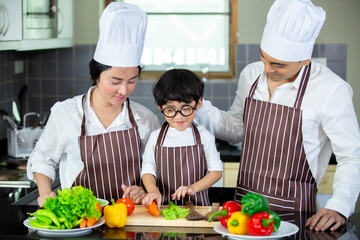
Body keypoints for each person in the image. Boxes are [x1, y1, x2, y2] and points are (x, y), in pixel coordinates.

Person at [195, 0, 360, 232]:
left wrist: (340, 206)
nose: (267, 70)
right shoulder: (250, 75)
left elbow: (352, 156)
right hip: (244, 212)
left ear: (305, 59)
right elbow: (237, 129)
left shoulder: (331, 90)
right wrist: (200, 109)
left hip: (296, 215)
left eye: (278, 65)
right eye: (263, 57)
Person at [26, 2, 160, 207]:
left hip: (130, 219)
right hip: (80, 220)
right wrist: (45, 193)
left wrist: (144, 189)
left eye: (132, 81)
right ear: (96, 76)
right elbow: (43, 159)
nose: (123, 90)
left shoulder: (146, 119)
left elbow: (154, 168)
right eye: (115, 81)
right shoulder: (66, 113)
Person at [141, 69, 223, 209]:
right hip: (163, 209)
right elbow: (148, 169)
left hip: (198, 209)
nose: (179, 117)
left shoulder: (204, 136)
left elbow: (216, 171)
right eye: (170, 110)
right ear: (160, 106)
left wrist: (193, 188)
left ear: (198, 104)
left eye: (186, 108)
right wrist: (153, 191)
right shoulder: (156, 137)